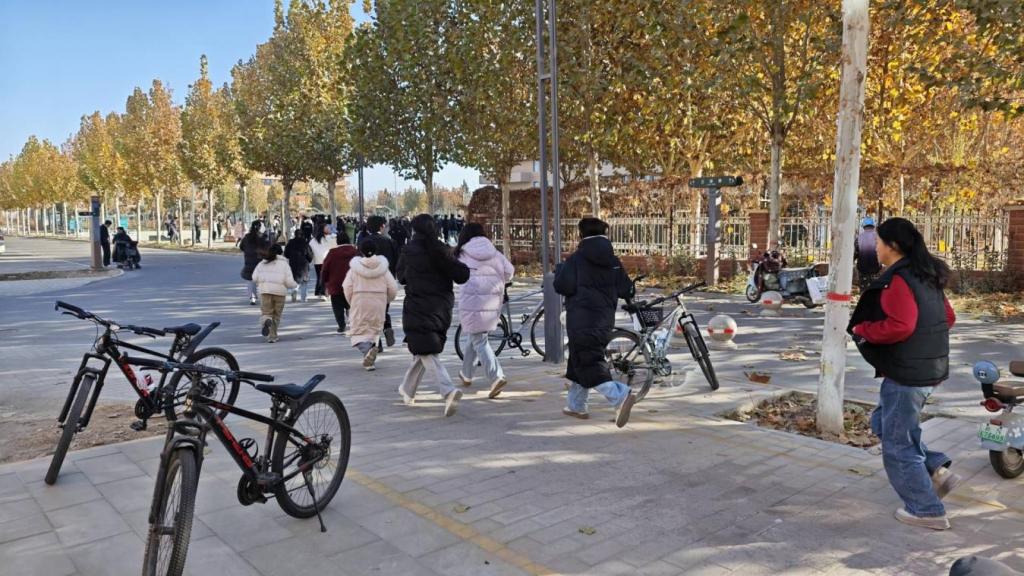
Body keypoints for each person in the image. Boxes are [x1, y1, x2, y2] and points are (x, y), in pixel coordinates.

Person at [849, 217, 960, 531]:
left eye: (878, 242)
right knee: (881, 422)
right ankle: (936, 469)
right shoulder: (924, 273)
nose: (876, 248)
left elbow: (901, 326)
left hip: (907, 376)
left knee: (898, 446)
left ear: (893, 246)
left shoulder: (899, 279)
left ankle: (926, 510)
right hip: (928, 371)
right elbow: (948, 317)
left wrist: (864, 330)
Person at [554, 217, 637, 428]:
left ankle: (620, 395)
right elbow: (626, 290)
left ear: (581, 234)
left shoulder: (575, 260)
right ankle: (576, 406)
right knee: (579, 359)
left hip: (580, 320)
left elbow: (562, 286)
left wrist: (561, 270)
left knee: (589, 363)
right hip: (604, 320)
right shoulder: (613, 261)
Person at [396, 214, 470, 416]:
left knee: (425, 350)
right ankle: (407, 389)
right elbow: (462, 275)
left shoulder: (409, 251)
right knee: (424, 348)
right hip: (441, 307)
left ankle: (448, 391)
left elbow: (401, 277)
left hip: (417, 306)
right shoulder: (441, 249)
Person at [454, 223, 514, 398]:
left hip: (471, 302)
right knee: (476, 336)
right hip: (492, 301)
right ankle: (466, 374)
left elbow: (456, 276)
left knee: (479, 339)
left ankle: (496, 376)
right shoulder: (494, 253)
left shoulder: (462, 254)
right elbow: (510, 272)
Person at [345, 239, 399, 371]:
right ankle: (369, 360)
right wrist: (386, 299)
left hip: (359, 300)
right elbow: (393, 288)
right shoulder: (383, 269)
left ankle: (367, 350)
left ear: (361, 251)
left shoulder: (354, 269)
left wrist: (351, 301)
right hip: (378, 302)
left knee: (358, 330)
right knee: (374, 329)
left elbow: (347, 287)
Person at [364, 215, 399, 346]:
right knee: (383, 308)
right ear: (382, 226)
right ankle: (387, 325)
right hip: (386, 280)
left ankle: (376, 343)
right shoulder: (389, 241)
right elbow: (396, 261)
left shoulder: (364, 242)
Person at [252, 244, 297, 343]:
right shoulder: (284, 264)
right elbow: (289, 281)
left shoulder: (262, 263)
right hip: (280, 293)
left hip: (265, 291)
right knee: (276, 315)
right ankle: (272, 336)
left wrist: (261, 281)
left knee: (266, 312)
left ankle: (266, 320)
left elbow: (254, 278)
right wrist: (294, 285)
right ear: (281, 253)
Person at [322, 231, 359, 333]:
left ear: (337, 241)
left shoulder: (332, 253)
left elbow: (325, 269)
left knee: (337, 307)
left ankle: (341, 325)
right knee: (352, 304)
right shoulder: (356, 252)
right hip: (353, 284)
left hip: (335, 284)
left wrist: (324, 283)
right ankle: (353, 321)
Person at [284, 223, 314, 303]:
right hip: (303, 264)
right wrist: (309, 260)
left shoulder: (290, 242)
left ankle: (294, 290)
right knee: (304, 281)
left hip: (293, 263)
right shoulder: (305, 243)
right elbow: (310, 255)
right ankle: (303, 298)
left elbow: (286, 254)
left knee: (295, 279)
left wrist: (290, 257)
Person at [240, 221, 268, 305]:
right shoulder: (263, 238)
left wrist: (248, 251)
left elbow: (241, 247)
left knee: (250, 279)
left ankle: (252, 298)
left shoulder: (247, 237)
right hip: (261, 261)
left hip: (249, 260)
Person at [855, 217, 882, 290]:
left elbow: (855, 253)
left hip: (862, 269)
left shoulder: (859, 238)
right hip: (875, 268)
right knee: (874, 290)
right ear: (873, 226)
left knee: (864, 291)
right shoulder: (878, 237)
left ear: (864, 226)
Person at [309, 222, 334, 301]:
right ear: (323, 230)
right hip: (326, 260)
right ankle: (324, 293)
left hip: (317, 261)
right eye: (327, 228)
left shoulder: (313, 240)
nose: (329, 229)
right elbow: (334, 246)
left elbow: (310, 249)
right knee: (326, 277)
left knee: (319, 277)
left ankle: (319, 292)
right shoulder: (329, 238)